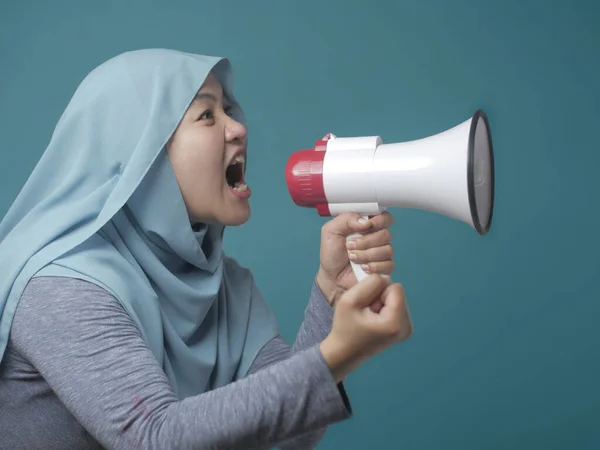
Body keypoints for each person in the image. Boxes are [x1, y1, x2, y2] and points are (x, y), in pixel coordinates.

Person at [0, 49, 413, 449]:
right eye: (206, 115)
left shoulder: (225, 285)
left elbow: (291, 432)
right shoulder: (60, 288)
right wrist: (338, 354)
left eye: (229, 110)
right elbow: (154, 437)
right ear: (141, 155)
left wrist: (331, 293)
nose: (238, 127)